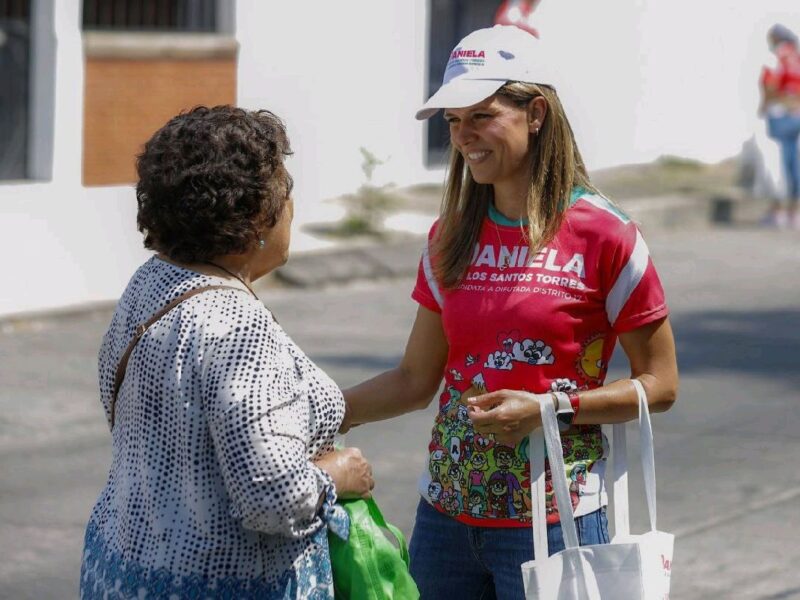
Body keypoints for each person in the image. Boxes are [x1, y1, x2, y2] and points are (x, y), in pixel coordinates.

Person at [340, 25, 678, 599]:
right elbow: (415, 379)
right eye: (452, 121)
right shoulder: (449, 237)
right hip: (445, 518)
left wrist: (551, 408)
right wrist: (315, 416)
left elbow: (661, 385)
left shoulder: (606, 234)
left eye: (481, 115)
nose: (464, 135)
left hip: (557, 520)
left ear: (536, 112)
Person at [79, 106, 374, 599]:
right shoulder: (237, 325)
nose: (293, 206)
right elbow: (274, 499)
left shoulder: (151, 283)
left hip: (122, 566)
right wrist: (335, 477)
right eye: (287, 187)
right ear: (258, 214)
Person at [760, 23, 800, 228]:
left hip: (780, 115)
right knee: (795, 164)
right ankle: (794, 213)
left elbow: (771, 85)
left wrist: (763, 106)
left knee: (777, 165)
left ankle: (778, 212)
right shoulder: (796, 56)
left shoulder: (777, 57)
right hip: (796, 115)